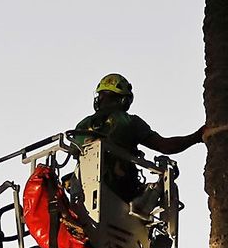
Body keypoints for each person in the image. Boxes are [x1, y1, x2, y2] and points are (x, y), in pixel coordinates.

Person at [70, 73, 203, 204]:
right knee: (158, 188)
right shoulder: (129, 122)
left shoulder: (81, 126)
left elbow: (74, 153)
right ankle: (142, 204)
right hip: (120, 190)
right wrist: (197, 136)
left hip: (81, 193)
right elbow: (166, 146)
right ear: (124, 100)